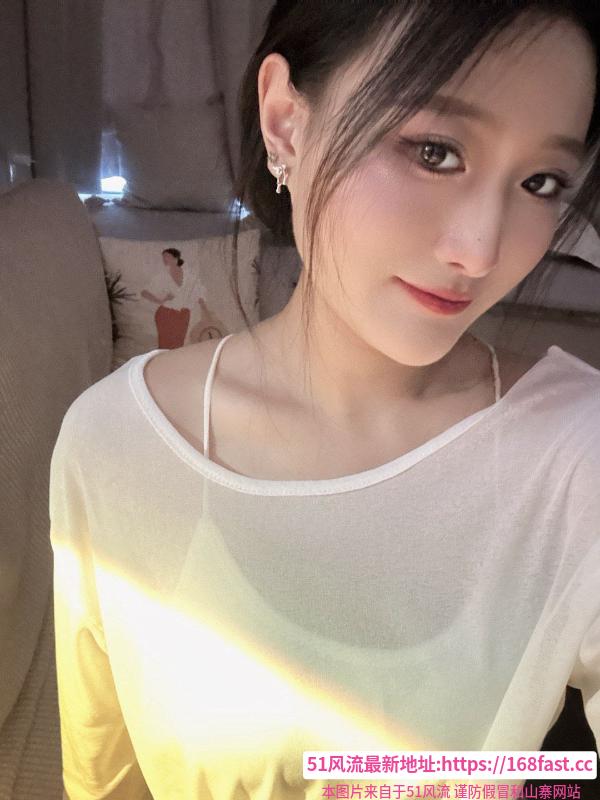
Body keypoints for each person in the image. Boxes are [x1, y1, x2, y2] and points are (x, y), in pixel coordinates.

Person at [49, 2, 600, 798]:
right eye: (435, 151)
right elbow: (105, 780)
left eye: (540, 183)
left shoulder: (579, 451)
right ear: (286, 123)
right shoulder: (116, 445)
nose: (480, 251)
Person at [140, 248, 195, 348]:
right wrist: (160, 300)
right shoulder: (162, 276)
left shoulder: (189, 275)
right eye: (163, 257)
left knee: (179, 343)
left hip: (184, 314)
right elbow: (144, 292)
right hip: (166, 313)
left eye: (167, 257)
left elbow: (197, 292)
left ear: (176, 258)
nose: (164, 259)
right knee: (165, 344)